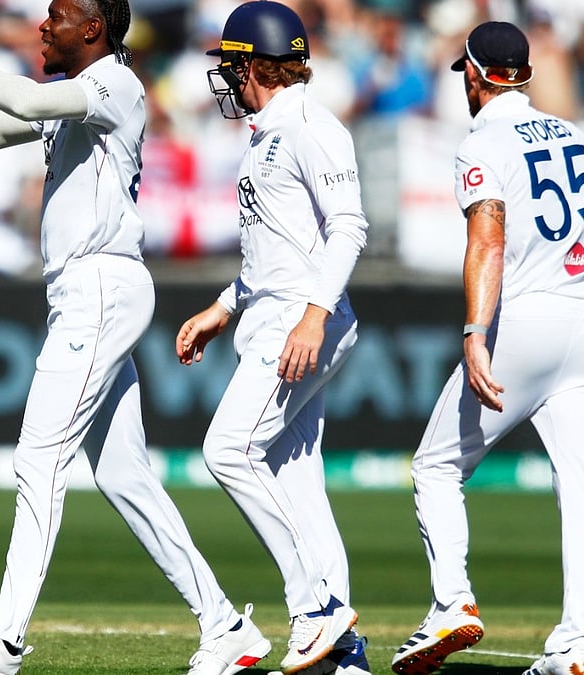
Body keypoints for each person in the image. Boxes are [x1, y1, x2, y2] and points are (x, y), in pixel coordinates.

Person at [0, 1, 271, 674]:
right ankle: (225, 624)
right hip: (86, 293)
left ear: (93, 29)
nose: (43, 26)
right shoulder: (77, 98)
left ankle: (2, 639)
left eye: (58, 15)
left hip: (100, 288)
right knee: (124, 475)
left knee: (38, 457)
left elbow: (15, 93)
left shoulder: (115, 82)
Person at [391, 21, 584, 675]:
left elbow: (488, 243)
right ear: (521, 72)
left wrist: (475, 332)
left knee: (436, 467)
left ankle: (452, 603)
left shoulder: (482, 142)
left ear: (474, 73)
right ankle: (574, 642)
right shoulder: (582, 135)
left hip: (528, 321)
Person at [175, 2, 371, 674]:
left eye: (232, 64)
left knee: (227, 449)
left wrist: (313, 316)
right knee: (299, 482)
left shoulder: (312, 124)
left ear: (258, 64)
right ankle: (344, 654)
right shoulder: (266, 133)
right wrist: (224, 305)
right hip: (276, 313)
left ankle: (316, 606)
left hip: (300, 323)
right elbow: (276, 249)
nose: (225, 78)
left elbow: (349, 227)